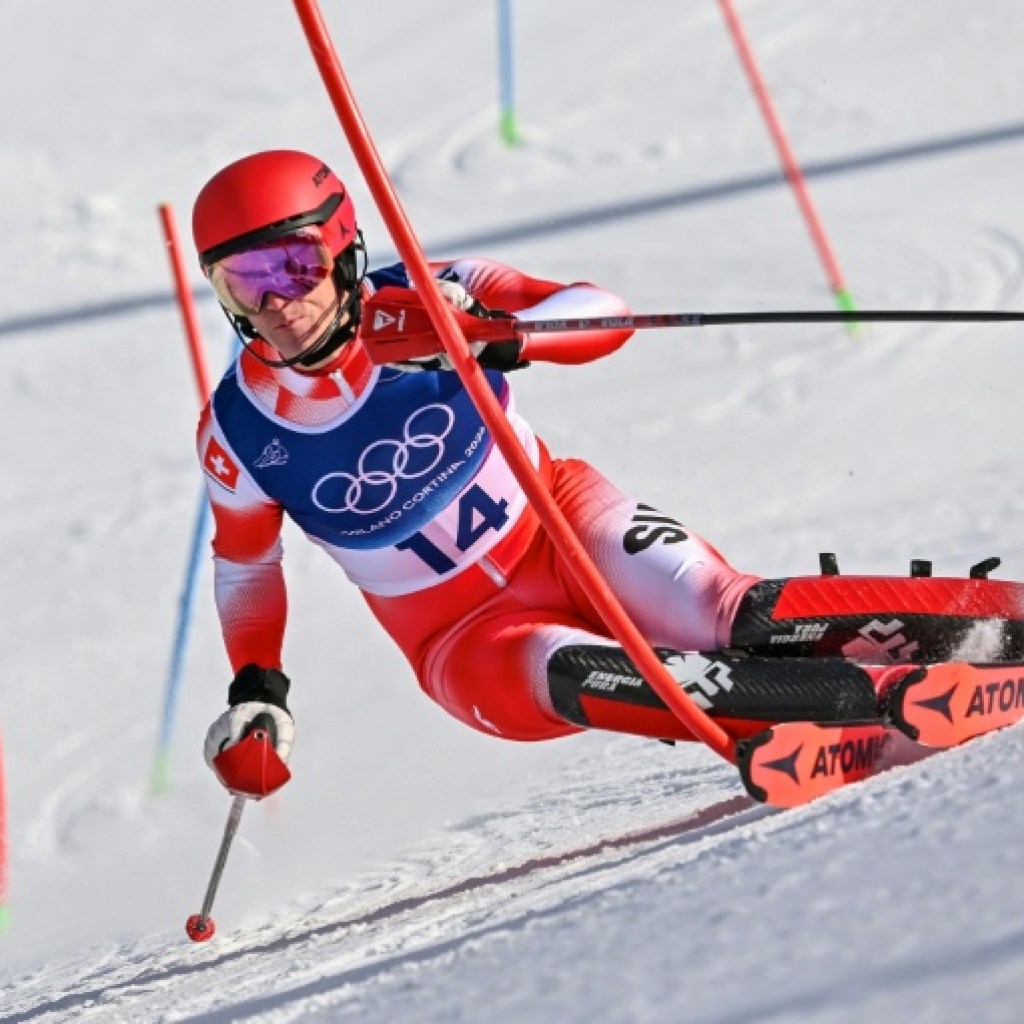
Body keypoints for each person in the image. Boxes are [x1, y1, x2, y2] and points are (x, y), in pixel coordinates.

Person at [192, 149, 1024, 794]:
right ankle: (878, 707)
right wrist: (257, 687)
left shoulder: (433, 290)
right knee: (575, 666)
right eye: (245, 283)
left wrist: (499, 331)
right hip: (462, 637)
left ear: (341, 250)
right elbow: (245, 566)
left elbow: (603, 312)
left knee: (722, 609)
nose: (276, 303)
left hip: (561, 524)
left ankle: (999, 625)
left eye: (291, 267)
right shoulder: (239, 427)